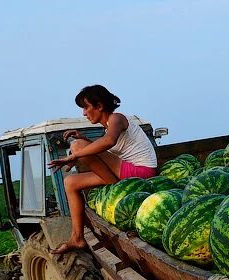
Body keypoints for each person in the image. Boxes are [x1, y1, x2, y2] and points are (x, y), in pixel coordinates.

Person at [47, 85, 158, 254]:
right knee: (70, 182)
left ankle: (115, 188)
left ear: (99, 106)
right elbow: (105, 150)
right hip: (125, 173)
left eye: (86, 107)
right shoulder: (108, 127)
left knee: (77, 146)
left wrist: (74, 155)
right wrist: (84, 140)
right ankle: (77, 238)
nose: (84, 113)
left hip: (140, 172)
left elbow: (108, 142)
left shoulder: (117, 118)